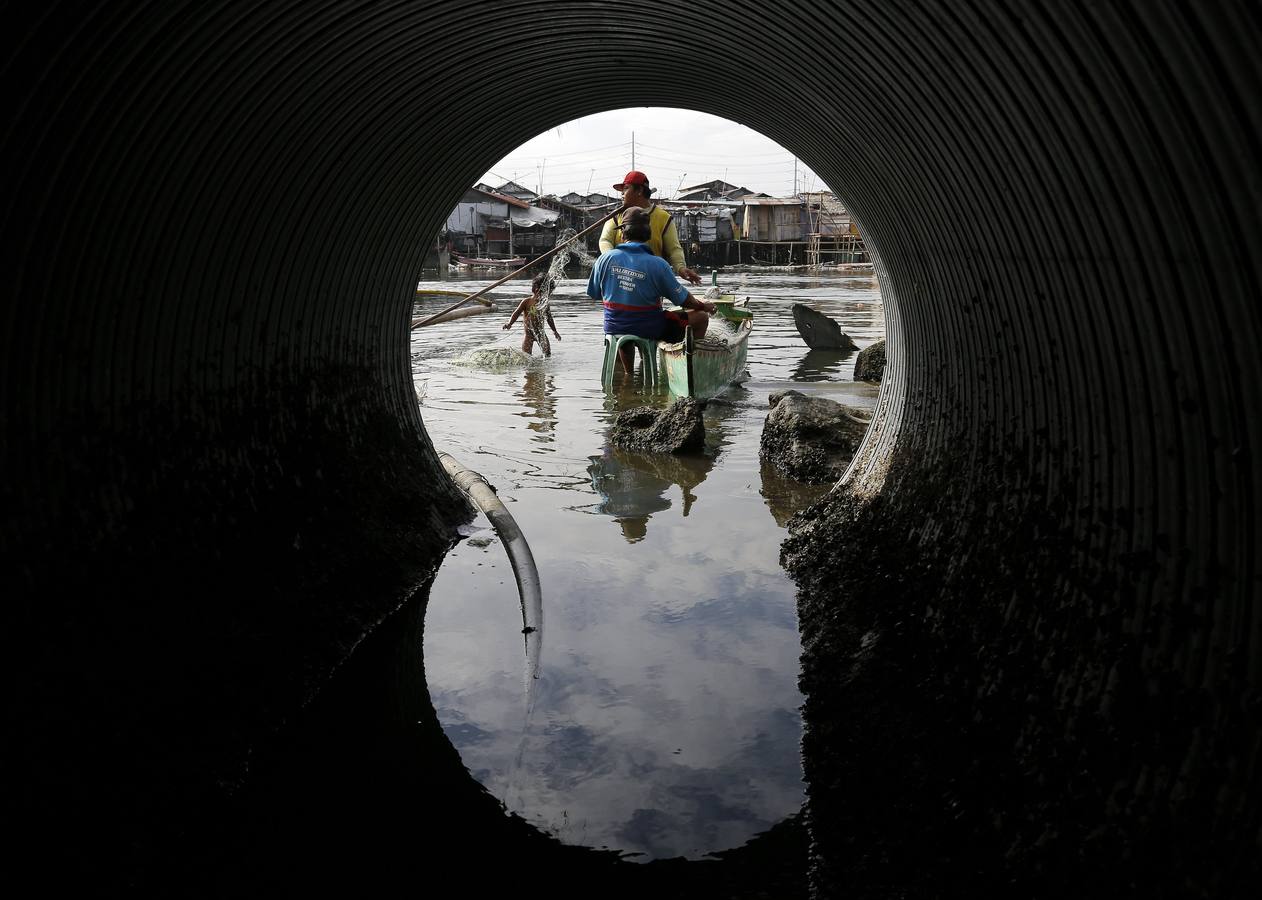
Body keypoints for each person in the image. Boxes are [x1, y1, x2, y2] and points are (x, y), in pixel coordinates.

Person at [587, 207, 716, 373]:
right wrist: (702, 306)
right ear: (647, 235)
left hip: (614, 326)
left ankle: (628, 377)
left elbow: (594, 294)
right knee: (701, 318)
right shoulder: (658, 264)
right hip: (650, 328)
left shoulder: (604, 259)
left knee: (625, 327)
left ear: (623, 234)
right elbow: (683, 300)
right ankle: (693, 369)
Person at [599, 171, 703, 285]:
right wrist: (611, 258)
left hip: (651, 282)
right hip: (621, 280)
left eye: (626, 188)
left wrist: (680, 268)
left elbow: (674, 249)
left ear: (639, 191)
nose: (622, 194)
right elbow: (605, 240)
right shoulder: (616, 216)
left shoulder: (663, 218)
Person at [503, 272, 561, 357]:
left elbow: (549, 318)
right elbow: (516, 313)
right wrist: (509, 323)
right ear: (536, 289)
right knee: (526, 356)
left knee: (547, 355)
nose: (546, 295)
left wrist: (554, 331)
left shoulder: (545, 304)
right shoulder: (526, 302)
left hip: (541, 334)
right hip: (528, 335)